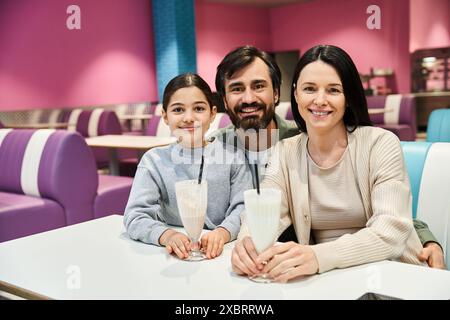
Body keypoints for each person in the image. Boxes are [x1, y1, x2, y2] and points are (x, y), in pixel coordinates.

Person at [213, 45, 445, 272]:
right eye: (309, 89)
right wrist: (247, 244)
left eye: (333, 90)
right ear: (295, 93)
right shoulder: (282, 150)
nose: (320, 100)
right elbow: (265, 212)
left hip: (393, 271)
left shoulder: (380, 143)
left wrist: (318, 255)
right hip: (330, 277)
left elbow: (392, 226)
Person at [124, 73, 252, 260]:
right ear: (165, 116)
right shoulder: (153, 161)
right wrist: (166, 235)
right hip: (173, 256)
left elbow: (243, 208)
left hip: (225, 254)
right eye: (178, 110)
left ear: (212, 114)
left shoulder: (233, 157)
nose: (189, 118)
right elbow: (135, 216)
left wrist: (223, 232)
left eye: (199, 108)